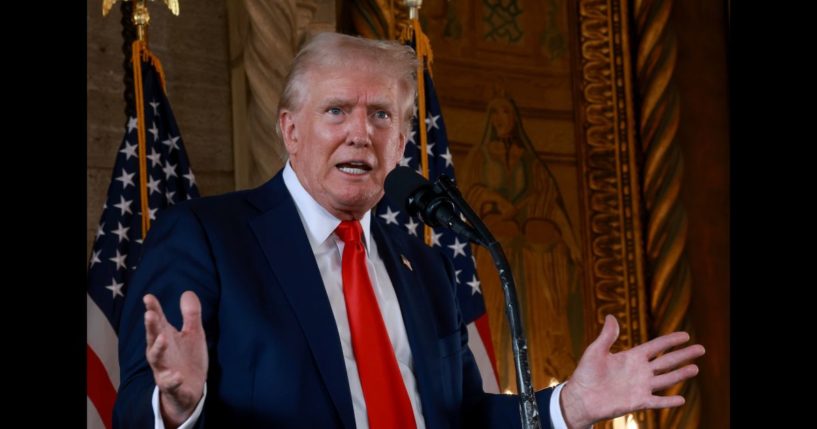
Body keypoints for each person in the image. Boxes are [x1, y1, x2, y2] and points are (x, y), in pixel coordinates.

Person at [113, 32, 705, 429]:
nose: (360, 133)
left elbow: (463, 416)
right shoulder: (208, 237)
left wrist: (567, 406)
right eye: (337, 110)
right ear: (290, 130)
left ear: (400, 143)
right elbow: (135, 409)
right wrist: (178, 406)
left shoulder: (424, 266)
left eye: (381, 116)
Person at [460, 94, 582, 389]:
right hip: (495, 256)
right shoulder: (480, 158)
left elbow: (549, 201)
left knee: (534, 320)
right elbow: (467, 197)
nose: (502, 118)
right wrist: (493, 200)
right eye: (496, 112)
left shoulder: (530, 161)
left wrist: (573, 245)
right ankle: (499, 385)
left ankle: (542, 383)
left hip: (529, 261)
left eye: (506, 111)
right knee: (497, 319)